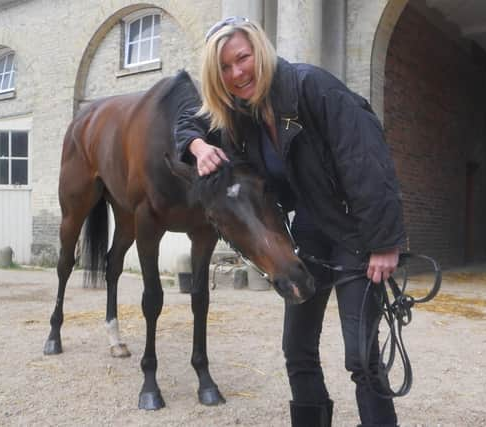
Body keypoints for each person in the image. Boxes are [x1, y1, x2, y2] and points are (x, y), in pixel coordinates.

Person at [174, 17, 406, 427]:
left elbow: (366, 161)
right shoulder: (240, 114)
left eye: (241, 58)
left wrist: (384, 243)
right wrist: (195, 145)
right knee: (297, 349)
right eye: (224, 68)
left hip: (356, 232)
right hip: (310, 232)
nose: (236, 73)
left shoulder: (312, 87)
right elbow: (191, 120)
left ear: (259, 49)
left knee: (362, 355)